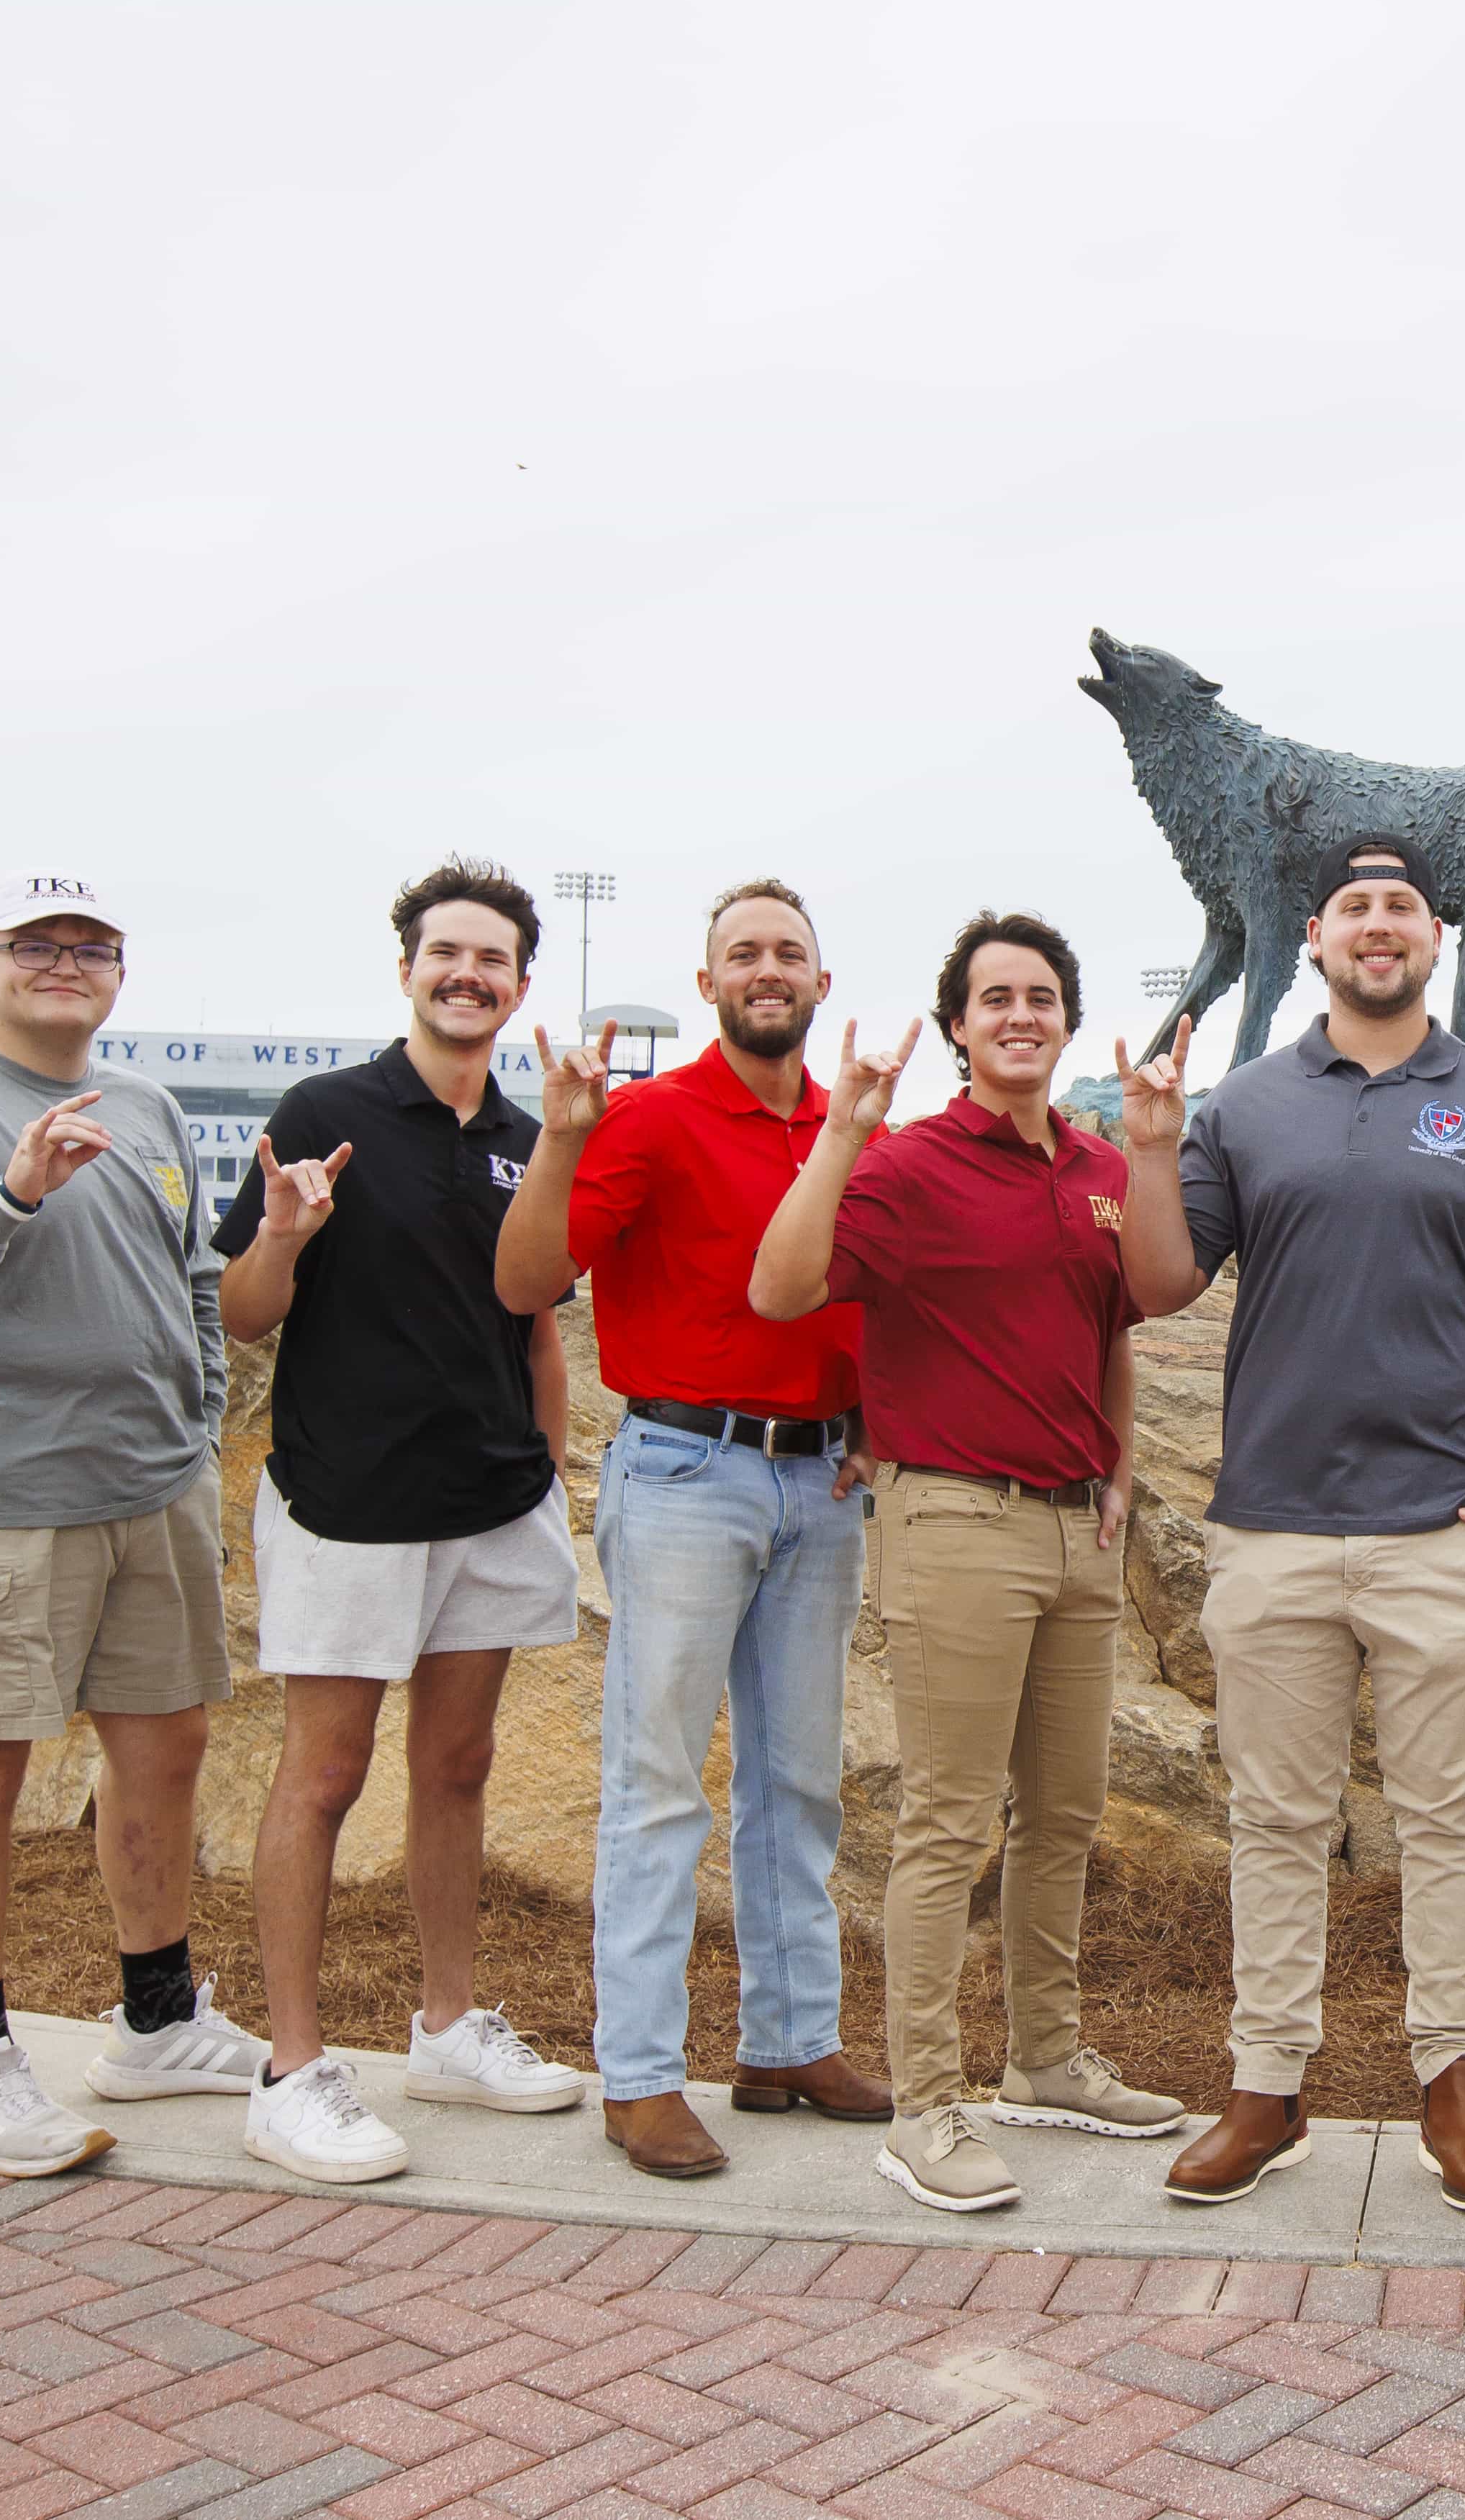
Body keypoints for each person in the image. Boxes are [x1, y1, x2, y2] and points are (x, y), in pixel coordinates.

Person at [1116, 835, 1465, 2213]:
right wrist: (1148, 1148)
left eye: (1403, 909)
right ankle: (1267, 2086)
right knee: (1275, 1817)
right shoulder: (1247, 1103)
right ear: (1313, 937)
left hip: (1447, 1525)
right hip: (1273, 1527)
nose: (1379, 928)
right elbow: (1158, 1284)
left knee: (1449, 1818)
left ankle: (1456, 2084)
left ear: (1437, 935)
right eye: (1354, 909)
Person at [746, 911, 1184, 2214]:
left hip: (1075, 1529)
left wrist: (1115, 1459)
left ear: (1064, 1019)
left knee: (1065, 1812)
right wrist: (841, 1135)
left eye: (1041, 995)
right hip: (956, 1522)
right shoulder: (911, 1164)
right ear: (957, 1027)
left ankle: (1043, 2056)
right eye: (994, 996)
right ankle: (926, 2105)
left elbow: (1117, 1319)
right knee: (948, 1820)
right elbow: (782, 1289)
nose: (1020, 1014)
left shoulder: (1102, 1166)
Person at [0, 873, 260, 2177]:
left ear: (121, 971)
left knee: (165, 1744)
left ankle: (157, 2016)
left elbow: (190, 1278)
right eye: (37, 943)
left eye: (93, 945)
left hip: (149, 1486)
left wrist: (194, 1422)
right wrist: (10, 1196)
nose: (66, 963)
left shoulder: (147, 1106)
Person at [493, 879, 894, 2179]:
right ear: (710, 983)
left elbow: (880, 1299)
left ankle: (788, 2039)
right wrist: (560, 1141)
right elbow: (525, 1281)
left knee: (800, 1780)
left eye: (790, 951)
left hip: (820, 1482)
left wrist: (875, 1417)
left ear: (822, 985)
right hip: (686, 1470)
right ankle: (642, 2071)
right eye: (742, 955)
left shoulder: (852, 1130)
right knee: (661, 1782)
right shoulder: (651, 1119)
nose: (766, 970)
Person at [214, 860, 591, 2185]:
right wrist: (282, 1233)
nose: (468, 975)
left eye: (493, 959)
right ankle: (292, 2071)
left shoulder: (524, 1134)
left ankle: (443, 2026)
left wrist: (546, 1472)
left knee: (459, 1767)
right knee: (324, 1776)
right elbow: (247, 1314)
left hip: (490, 1504)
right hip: (349, 1505)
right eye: (447, 953)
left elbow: (537, 1323)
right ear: (408, 967)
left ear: (521, 985)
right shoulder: (327, 1111)